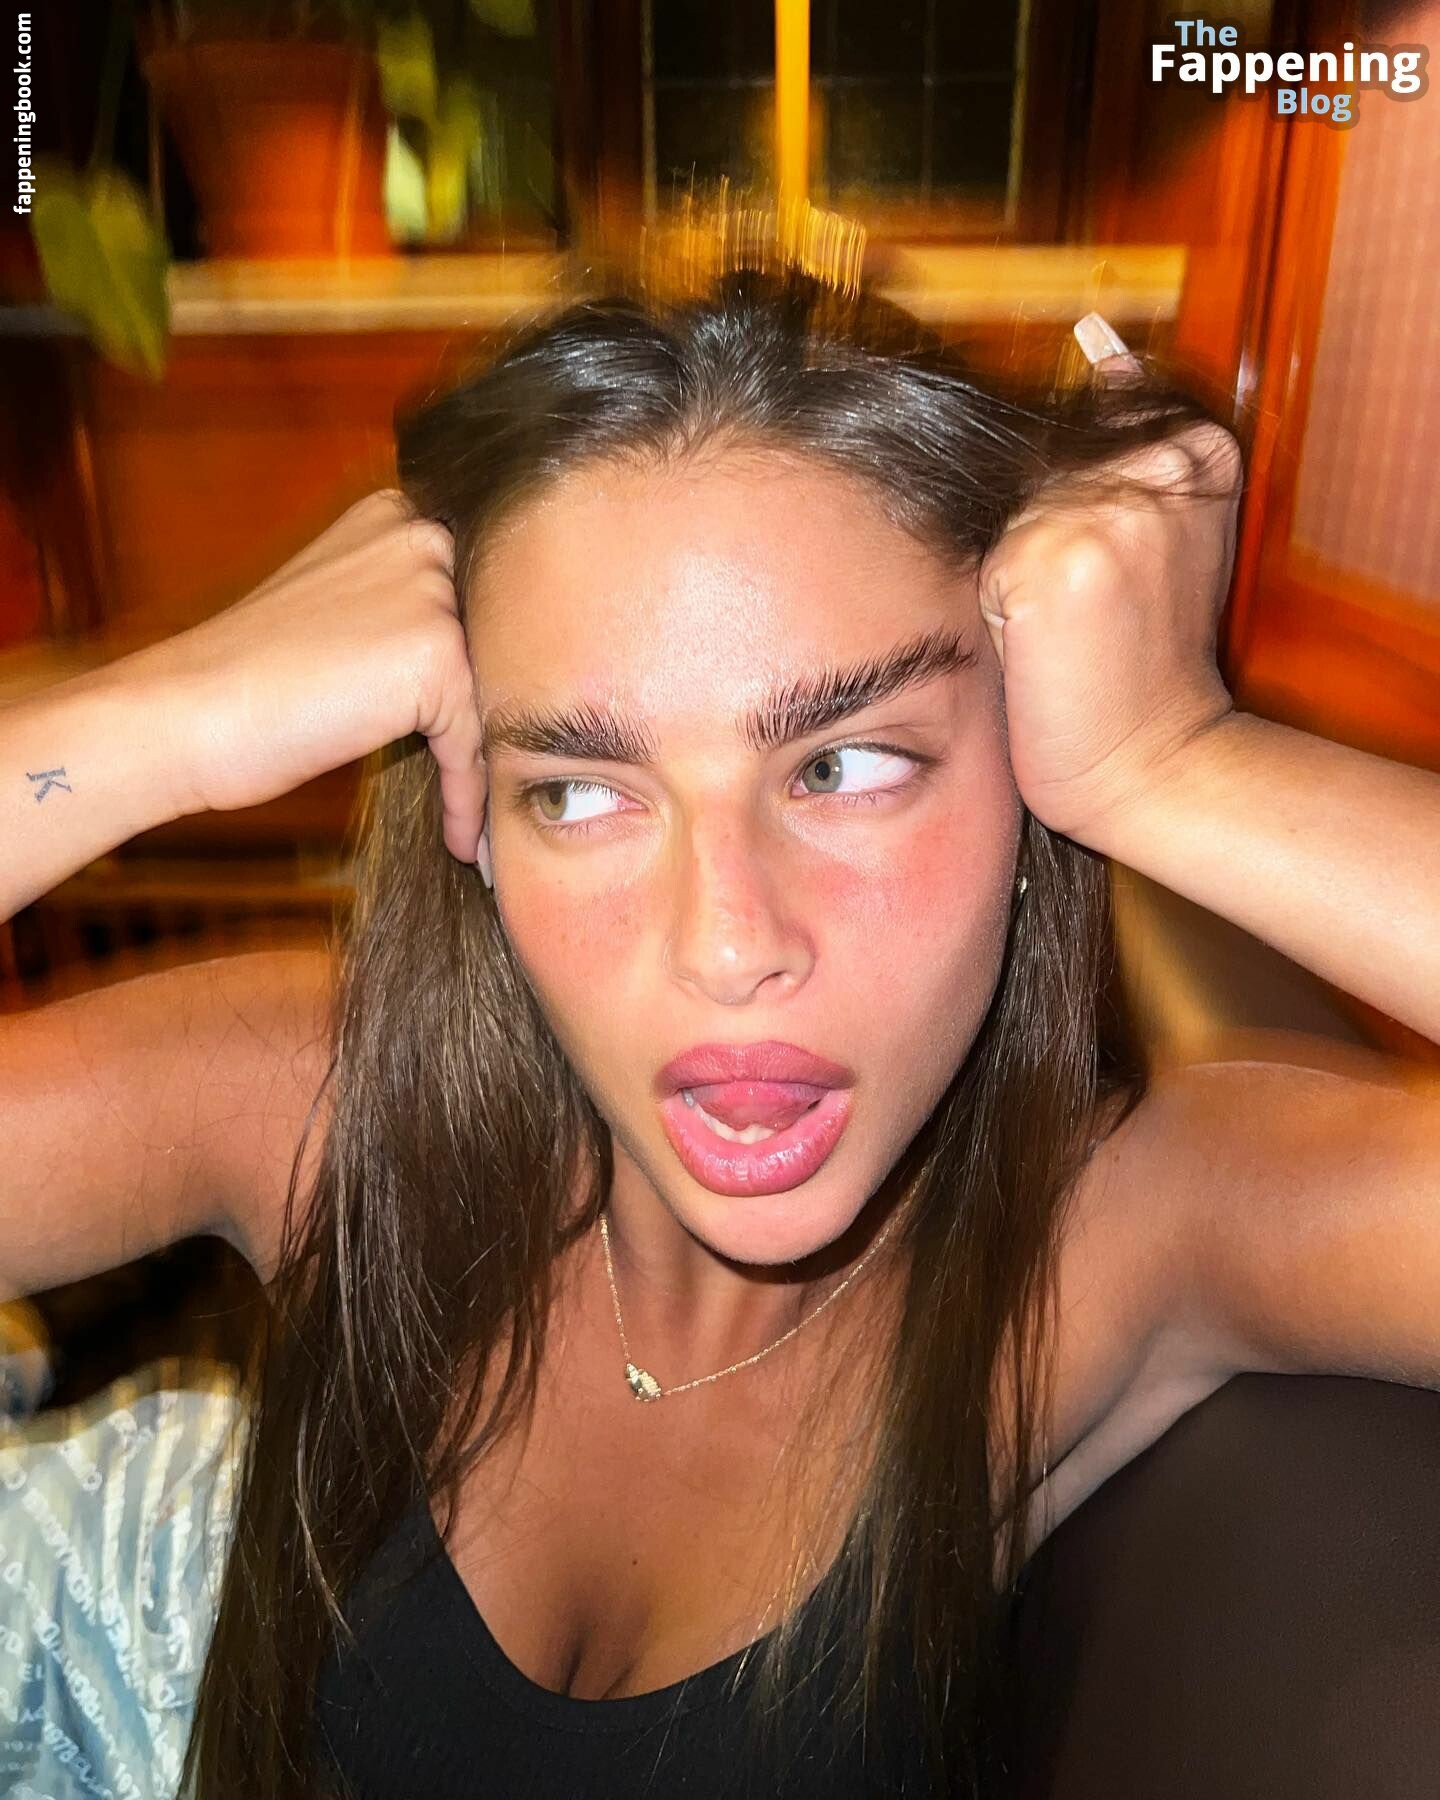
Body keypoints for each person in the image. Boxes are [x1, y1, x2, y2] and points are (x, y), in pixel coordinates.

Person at [1, 271, 1436, 1800]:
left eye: (848, 766)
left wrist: (1174, 760)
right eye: (581, 792)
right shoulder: (326, 1097)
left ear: (1028, 770)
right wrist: (161, 722)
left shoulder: (1106, 1238)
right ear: (478, 821)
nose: (731, 945)